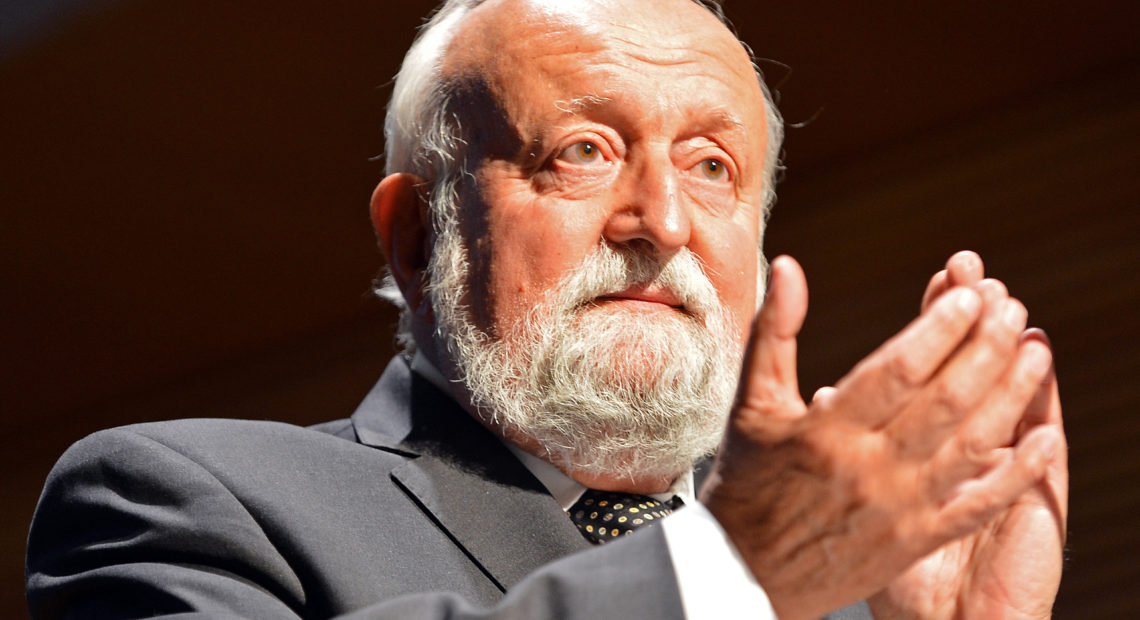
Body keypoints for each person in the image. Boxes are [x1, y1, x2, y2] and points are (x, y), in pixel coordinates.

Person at [25, 0, 1068, 618]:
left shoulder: (847, 592)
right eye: (583, 151)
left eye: (712, 166)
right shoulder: (177, 503)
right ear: (418, 232)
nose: (660, 219)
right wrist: (733, 570)